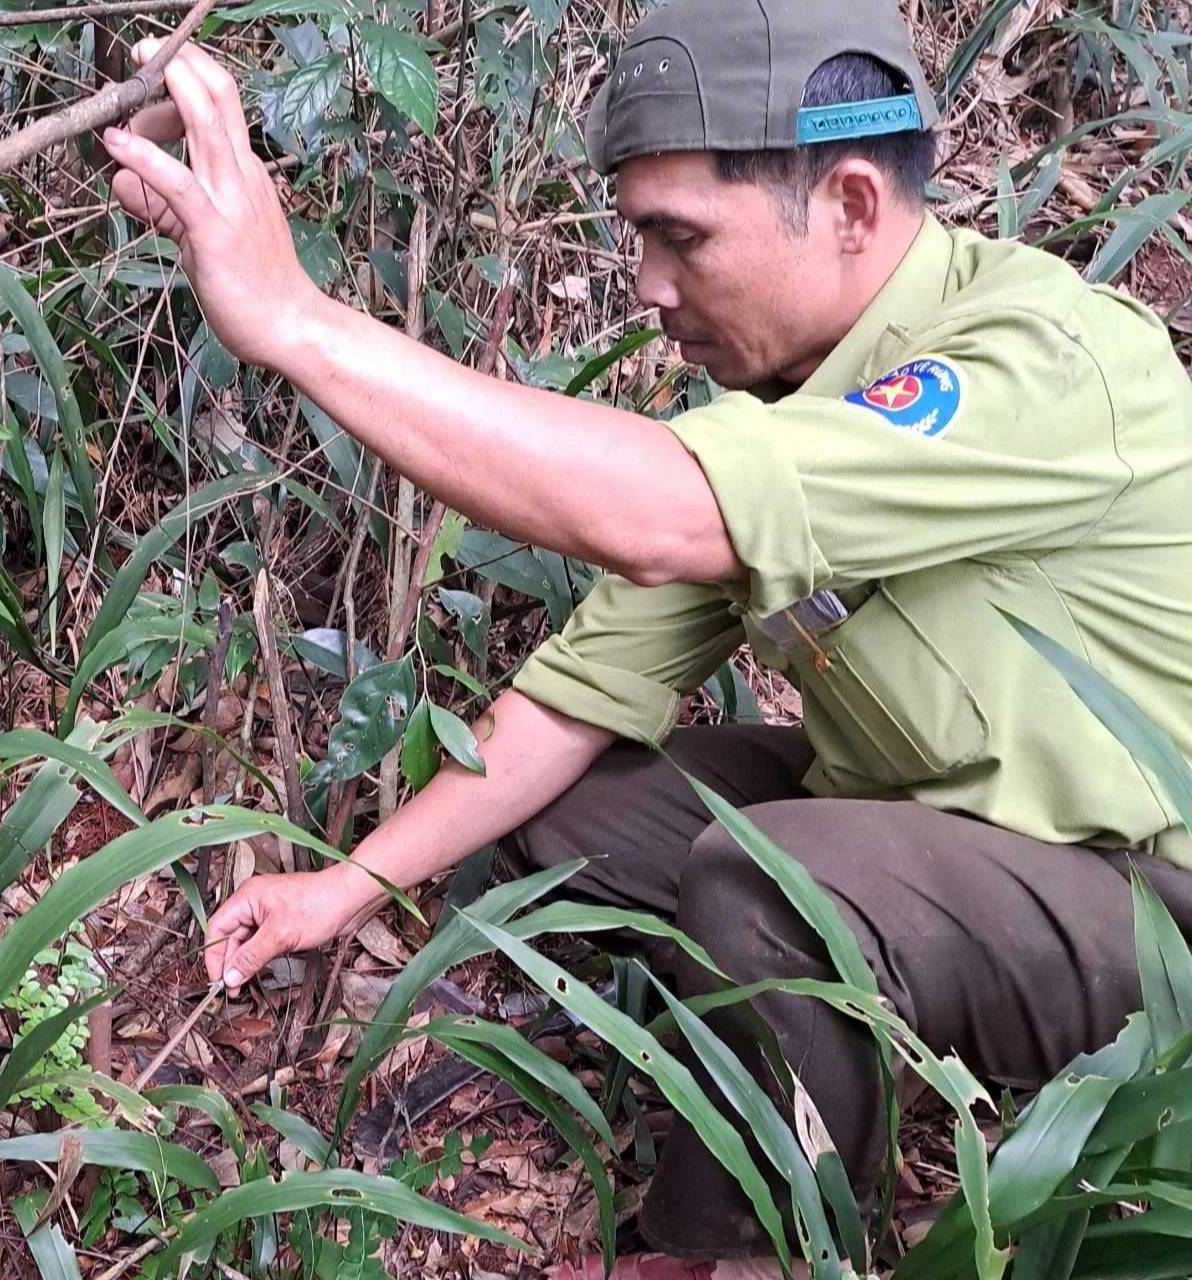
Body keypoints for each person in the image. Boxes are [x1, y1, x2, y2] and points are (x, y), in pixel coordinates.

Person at [101, 0, 1192, 1273]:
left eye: (682, 238)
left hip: (1150, 906)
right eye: (637, 238)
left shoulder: (1035, 362)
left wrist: (296, 319)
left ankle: (740, 1240)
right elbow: (575, 695)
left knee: (771, 881)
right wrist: (342, 890)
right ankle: (805, 1047)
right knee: (574, 821)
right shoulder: (797, 396)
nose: (649, 289)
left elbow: (661, 509)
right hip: (950, 830)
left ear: (848, 204)